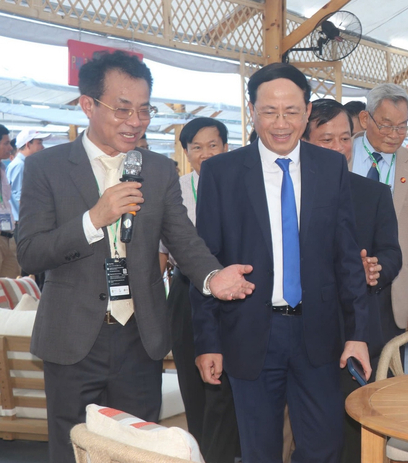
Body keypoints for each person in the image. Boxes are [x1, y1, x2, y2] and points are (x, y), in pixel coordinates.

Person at [16, 50, 254, 463]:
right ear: (88, 104)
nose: (136, 121)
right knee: (72, 451)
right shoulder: (46, 168)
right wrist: (94, 218)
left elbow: (183, 239)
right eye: (122, 109)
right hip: (72, 340)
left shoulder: (158, 170)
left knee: (137, 452)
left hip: (139, 339)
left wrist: (214, 278)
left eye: (144, 110)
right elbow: (30, 252)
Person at [190, 63, 371, 463]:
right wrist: (208, 342)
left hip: (318, 334)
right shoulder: (221, 173)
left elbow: (347, 256)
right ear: (251, 110)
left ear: (307, 112)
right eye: (269, 111)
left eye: (291, 111)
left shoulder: (330, 168)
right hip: (249, 333)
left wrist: (357, 332)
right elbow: (206, 262)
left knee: (324, 446)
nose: (281, 123)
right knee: (259, 451)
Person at [302, 98, 401, 463]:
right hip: (304, 329)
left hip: (357, 329)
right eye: (327, 139)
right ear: (304, 140)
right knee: (312, 431)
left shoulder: (373, 192)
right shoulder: (289, 193)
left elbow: (393, 253)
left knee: (355, 425)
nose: (340, 148)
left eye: (346, 138)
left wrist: (377, 268)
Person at [158, 117, 240, 463]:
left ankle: (228, 453)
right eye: (197, 147)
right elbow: (162, 254)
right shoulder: (174, 189)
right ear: (186, 152)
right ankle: (199, 452)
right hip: (187, 292)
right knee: (194, 382)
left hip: (235, 291)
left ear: (226, 147)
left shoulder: (241, 186)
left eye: (213, 145)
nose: (206, 154)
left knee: (229, 383)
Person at [350, 83, 408, 347]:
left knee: (387, 374)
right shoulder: (340, 156)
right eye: (386, 125)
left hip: (394, 294)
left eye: (402, 126)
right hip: (343, 284)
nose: (394, 134)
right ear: (366, 119)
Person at [8, 129, 50, 224]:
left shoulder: (24, 164)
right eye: (39, 143)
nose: (42, 147)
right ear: (27, 145)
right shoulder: (20, 165)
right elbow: (20, 196)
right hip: (21, 222)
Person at [0, 125, 20, 277]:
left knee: (10, 286)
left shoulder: (2, 169)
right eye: (6, 143)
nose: (10, 147)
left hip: (8, 234)